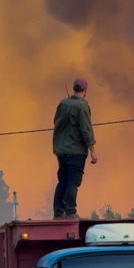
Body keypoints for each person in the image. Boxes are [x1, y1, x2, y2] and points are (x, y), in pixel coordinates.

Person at [52, 77, 98, 219]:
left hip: (61, 150)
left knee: (63, 180)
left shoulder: (62, 103)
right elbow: (86, 130)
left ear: (74, 88)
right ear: (85, 90)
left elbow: (56, 121)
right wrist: (93, 151)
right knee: (73, 181)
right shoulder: (83, 106)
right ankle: (71, 212)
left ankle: (58, 212)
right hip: (76, 151)